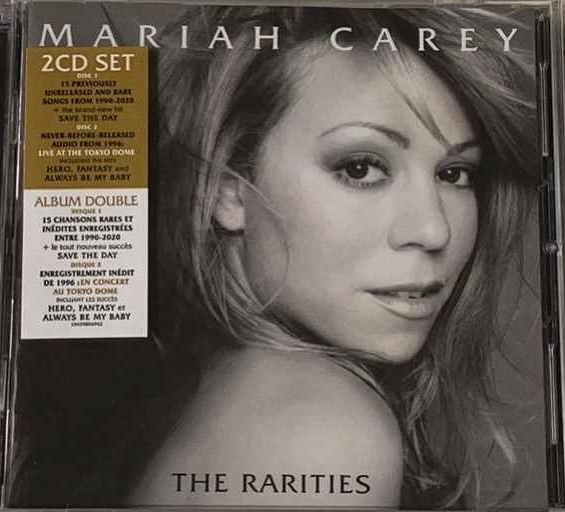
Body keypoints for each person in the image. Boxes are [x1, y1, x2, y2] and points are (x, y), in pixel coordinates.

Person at [123, 5, 537, 509]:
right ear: (228, 189)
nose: (434, 230)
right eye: (360, 168)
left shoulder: (227, 389)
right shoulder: (321, 429)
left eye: (454, 174)